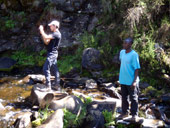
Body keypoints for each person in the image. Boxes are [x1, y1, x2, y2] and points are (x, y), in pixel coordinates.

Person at [118, 37, 140, 121]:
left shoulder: (134, 55)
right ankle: (124, 113)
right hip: (123, 80)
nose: (124, 44)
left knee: (134, 98)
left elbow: (136, 68)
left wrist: (134, 81)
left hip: (131, 81)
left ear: (130, 44)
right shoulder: (122, 52)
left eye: (126, 43)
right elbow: (122, 63)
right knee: (124, 97)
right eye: (124, 43)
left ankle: (134, 115)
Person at [39, 20, 61, 91]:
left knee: (46, 69)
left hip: (52, 54)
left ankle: (48, 87)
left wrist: (42, 30)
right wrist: (42, 35)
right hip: (52, 54)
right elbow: (47, 42)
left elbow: (46, 36)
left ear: (55, 26)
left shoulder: (56, 34)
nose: (50, 27)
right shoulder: (54, 34)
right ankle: (57, 86)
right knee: (55, 70)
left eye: (51, 26)